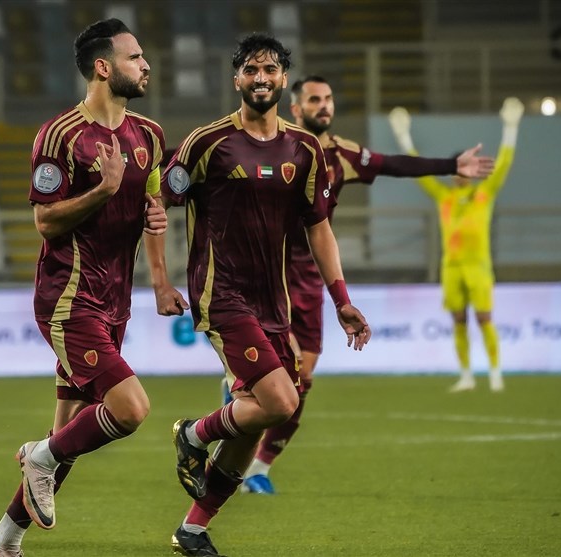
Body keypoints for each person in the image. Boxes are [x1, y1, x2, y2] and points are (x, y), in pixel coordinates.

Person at [156, 34, 372, 557]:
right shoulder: (207, 142)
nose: (261, 78)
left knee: (256, 419)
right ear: (237, 78)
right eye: (251, 70)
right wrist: (160, 280)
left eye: (270, 69)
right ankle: (193, 434)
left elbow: (319, 227)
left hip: (275, 303)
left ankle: (193, 529)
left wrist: (341, 298)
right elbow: (155, 203)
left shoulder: (304, 148)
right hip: (222, 294)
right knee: (281, 401)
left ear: (283, 79)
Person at [0, 18, 186, 557]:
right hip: (68, 298)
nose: (145, 65)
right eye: (134, 57)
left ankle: (2, 542)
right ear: (103, 67)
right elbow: (45, 221)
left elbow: (153, 209)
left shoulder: (149, 135)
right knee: (130, 408)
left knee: (70, 434)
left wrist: (161, 281)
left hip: (115, 302)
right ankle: (39, 455)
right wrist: (103, 190)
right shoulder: (61, 135)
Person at [237, 75, 496, 495]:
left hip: (310, 278)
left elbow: (393, 164)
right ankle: (232, 419)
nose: (324, 106)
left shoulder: (343, 155)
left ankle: (259, 468)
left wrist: (451, 165)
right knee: (276, 371)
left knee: (303, 380)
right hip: (265, 272)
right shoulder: (273, 145)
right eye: (314, 100)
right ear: (296, 108)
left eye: (328, 99)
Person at [389, 97, 524, 393]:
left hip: (478, 266)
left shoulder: (484, 193)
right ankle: (466, 375)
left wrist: (510, 128)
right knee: (459, 320)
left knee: (484, 318)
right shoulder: (444, 197)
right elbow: (417, 171)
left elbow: (503, 165)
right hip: (451, 266)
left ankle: (495, 373)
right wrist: (403, 137)